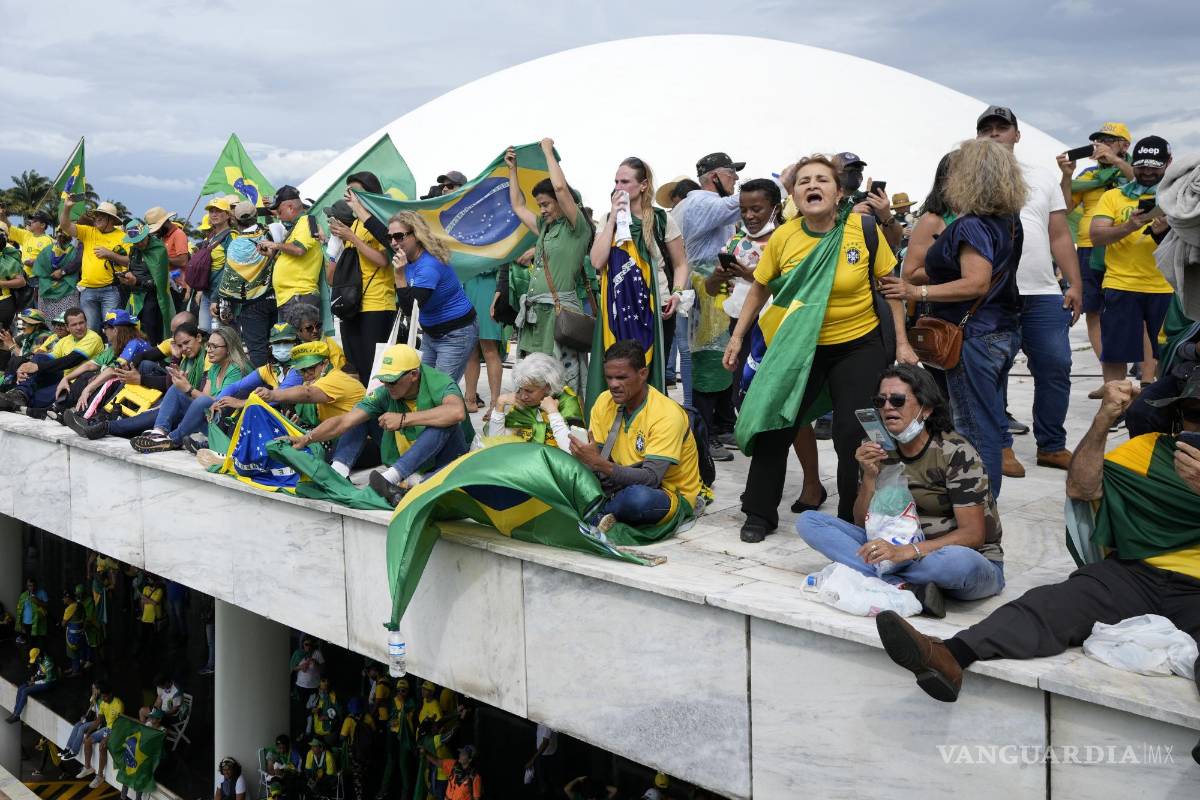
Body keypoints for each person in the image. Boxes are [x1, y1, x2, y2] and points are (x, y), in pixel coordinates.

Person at [874, 379, 1199, 718]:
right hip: (1135, 572)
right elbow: (1080, 487)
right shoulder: (1149, 450)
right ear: (1177, 417)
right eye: (1195, 414)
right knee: (1049, 602)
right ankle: (948, 656)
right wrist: (1103, 420)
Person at [727, 154, 913, 541]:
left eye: (822, 180)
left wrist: (903, 343)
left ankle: (850, 516)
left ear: (839, 191)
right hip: (799, 347)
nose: (813, 186)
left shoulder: (862, 230)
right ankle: (759, 514)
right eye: (804, 181)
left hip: (858, 345)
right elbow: (760, 286)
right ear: (794, 195)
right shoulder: (784, 237)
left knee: (852, 433)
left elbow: (889, 286)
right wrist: (738, 335)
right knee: (774, 424)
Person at [797, 365, 1005, 616]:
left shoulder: (955, 451)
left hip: (954, 556)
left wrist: (905, 553)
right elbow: (861, 523)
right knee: (810, 522)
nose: (887, 408)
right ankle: (904, 583)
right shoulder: (876, 447)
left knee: (956, 564)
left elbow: (973, 535)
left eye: (897, 400)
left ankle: (886, 577)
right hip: (895, 546)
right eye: (880, 401)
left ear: (925, 409)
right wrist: (870, 478)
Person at [881, 139, 1025, 498]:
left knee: (976, 428)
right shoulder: (1008, 221)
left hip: (973, 335)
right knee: (987, 420)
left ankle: (979, 507)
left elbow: (975, 282)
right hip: (1002, 331)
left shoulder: (970, 225)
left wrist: (918, 292)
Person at [971, 106, 1084, 477]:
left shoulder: (1042, 178)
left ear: (1017, 135)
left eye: (1001, 128)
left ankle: (1051, 445)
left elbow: (1059, 233)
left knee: (1056, 365)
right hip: (993, 292)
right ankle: (1000, 444)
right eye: (986, 129)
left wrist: (1075, 283)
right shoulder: (968, 179)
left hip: (1042, 291)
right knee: (994, 371)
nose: (994, 134)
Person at [289, 343, 472, 507]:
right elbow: (344, 422)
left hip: (445, 459)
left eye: (392, 381)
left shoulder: (439, 382)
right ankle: (338, 474)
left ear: (414, 375)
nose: (387, 385)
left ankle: (392, 479)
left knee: (444, 420)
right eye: (384, 379)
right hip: (408, 459)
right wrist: (307, 438)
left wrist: (403, 418)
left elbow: (456, 412)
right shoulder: (385, 393)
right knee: (360, 416)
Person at [587, 157, 689, 409]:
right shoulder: (606, 218)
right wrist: (613, 218)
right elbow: (597, 261)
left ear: (643, 185)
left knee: (647, 372)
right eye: (616, 181)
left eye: (625, 181)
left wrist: (677, 293)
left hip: (655, 311)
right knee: (615, 372)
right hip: (615, 313)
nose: (618, 186)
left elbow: (680, 263)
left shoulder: (660, 219)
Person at [572, 340, 703, 531]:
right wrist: (584, 459)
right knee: (565, 472)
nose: (613, 385)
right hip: (617, 485)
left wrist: (599, 464)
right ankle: (603, 512)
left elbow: (651, 478)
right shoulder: (603, 401)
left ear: (643, 374)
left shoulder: (667, 414)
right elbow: (599, 456)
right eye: (609, 377)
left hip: (664, 492)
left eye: (621, 377)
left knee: (637, 499)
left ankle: (597, 513)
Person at [505, 139, 593, 400]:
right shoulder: (546, 228)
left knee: (560, 376)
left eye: (546, 204)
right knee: (534, 373)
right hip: (536, 315)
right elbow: (519, 206)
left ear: (563, 202)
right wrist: (512, 170)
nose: (541, 210)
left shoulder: (577, 228)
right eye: (540, 205)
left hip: (559, 313)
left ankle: (565, 421)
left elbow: (559, 187)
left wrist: (546, 151)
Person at [675, 152, 746, 461]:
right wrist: (781, 182)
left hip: (718, 292)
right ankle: (705, 433)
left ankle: (723, 422)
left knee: (723, 359)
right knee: (706, 361)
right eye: (731, 174)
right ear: (713, 177)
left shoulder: (711, 205)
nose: (736, 180)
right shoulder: (700, 202)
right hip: (704, 291)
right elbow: (739, 204)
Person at [1089, 135, 1174, 386]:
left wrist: (1165, 231)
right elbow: (1096, 236)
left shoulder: (1178, 197)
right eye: (1141, 165)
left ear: (1168, 163)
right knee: (1115, 354)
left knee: (1169, 353)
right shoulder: (1114, 196)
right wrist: (1130, 225)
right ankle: (1115, 404)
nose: (1146, 171)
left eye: (1154, 166)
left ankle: (1162, 405)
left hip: (1167, 286)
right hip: (1121, 285)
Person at [1059, 122, 1134, 360]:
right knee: (1093, 311)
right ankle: (1109, 374)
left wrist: (1116, 161)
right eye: (1098, 141)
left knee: (1128, 310)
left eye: (1108, 140)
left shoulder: (1135, 168)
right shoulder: (1088, 175)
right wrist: (1067, 176)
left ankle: (1140, 372)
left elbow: (1143, 185)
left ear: (1124, 145)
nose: (1101, 145)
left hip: (1124, 247)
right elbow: (1066, 207)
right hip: (1089, 248)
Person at [129, 325, 249, 453]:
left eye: (214, 347)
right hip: (212, 422)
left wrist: (189, 389)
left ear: (229, 348)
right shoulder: (215, 367)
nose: (209, 350)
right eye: (208, 346)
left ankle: (171, 440)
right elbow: (205, 399)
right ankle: (159, 432)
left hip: (227, 430)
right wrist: (183, 385)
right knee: (177, 390)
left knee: (200, 401)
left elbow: (220, 404)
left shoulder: (236, 369)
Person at [389, 211, 478, 381]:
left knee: (441, 389)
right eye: (390, 237)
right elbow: (378, 231)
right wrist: (357, 205)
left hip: (456, 332)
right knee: (423, 386)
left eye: (399, 236)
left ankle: (457, 407)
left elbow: (410, 309)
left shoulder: (428, 265)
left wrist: (399, 275)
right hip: (431, 333)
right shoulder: (407, 254)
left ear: (416, 235)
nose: (393, 242)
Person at [254, 341, 367, 476]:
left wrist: (273, 395)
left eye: (310, 368)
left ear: (324, 363)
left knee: (354, 421)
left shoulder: (335, 378)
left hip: (360, 444)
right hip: (332, 438)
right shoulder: (316, 382)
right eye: (302, 370)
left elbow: (307, 393)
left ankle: (339, 472)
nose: (306, 374)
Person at [329, 173, 394, 383]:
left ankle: (380, 413)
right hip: (352, 304)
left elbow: (383, 260)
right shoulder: (354, 224)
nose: (351, 197)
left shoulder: (382, 223)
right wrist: (334, 245)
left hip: (376, 304)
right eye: (349, 192)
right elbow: (334, 276)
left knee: (374, 368)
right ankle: (367, 414)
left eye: (356, 192)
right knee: (356, 366)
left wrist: (353, 238)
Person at [212, 204, 275, 367]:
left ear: (235, 220)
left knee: (257, 349)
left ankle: (262, 387)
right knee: (277, 343)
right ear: (256, 216)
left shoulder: (236, 245)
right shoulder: (269, 235)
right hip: (274, 297)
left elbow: (229, 280)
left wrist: (222, 302)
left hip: (250, 305)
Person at [482, 352, 583, 451]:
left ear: (547, 387)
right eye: (520, 389)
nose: (523, 396)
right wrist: (500, 404)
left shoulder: (568, 402)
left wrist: (553, 413)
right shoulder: (522, 403)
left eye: (529, 391)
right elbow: (496, 445)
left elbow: (574, 451)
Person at [97, 217, 175, 342]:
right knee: (132, 330)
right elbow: (133, 268)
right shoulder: (134, 250)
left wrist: (137, 281)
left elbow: (159, 282)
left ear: (146, 234)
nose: (139, 244)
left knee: (151, 329)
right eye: (135, 241)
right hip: (135, 296)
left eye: (141, 240)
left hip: (153, 298)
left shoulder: (158, 250)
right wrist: (125, 276)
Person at [58, 199, 126, 331]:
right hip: (87, 291)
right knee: (91, 330)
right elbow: (65, 225)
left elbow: (130, 261)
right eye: (97, 215)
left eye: (101, 215)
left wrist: (110, 254)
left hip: (111, 290)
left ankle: (111, 352)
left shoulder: (123, 237)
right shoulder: (88, 231)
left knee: (112, 329)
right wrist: (66, 208)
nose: (97, 218)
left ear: (111, 219)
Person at [265, 186, 324, 318]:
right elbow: (291, 258)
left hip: (300, 295)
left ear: (290, 207)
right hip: (292, 296)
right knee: (292, 338)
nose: (279, 217)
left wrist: (276, 245)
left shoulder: (306, 221)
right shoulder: (297, 226)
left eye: (280, 212)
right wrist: (271, 254)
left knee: (304, 338)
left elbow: (299, 249)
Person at [78, 681, 123, 788]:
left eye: (105, 696)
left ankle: (100, 776)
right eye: (102, 696)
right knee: (87, 741)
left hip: (117, 730)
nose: (104, 699)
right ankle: (88, 767)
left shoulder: (118, 704)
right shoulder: (103, 703)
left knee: (103, 746)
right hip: (107, 728)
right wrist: (88, 733)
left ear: (111, 694)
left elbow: (119, 726)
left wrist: (106, 739)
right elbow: (98, 720)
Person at [281, 302, 348, 371]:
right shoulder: (294, 347)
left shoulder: (329, 344)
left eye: (318, 326)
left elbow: (338, 368)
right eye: (309, 328)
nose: (315, 331)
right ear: (298, 331)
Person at [31, 228, 80, 321]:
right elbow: (77, 268)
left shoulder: (46, 250)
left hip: (47, 289)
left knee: (49, 322)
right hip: (67, 290)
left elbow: (39, 270)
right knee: (68, 321)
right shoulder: (75, 251)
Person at [5, 647, 57, 723]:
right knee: (21, 688)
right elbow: (40, 670)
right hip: (41, 679)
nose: (34, 661)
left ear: (38, 656)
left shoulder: (48, 662)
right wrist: (35, 677)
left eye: (35, 659)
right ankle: (15, 712)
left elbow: (48, 679)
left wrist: (34, 683)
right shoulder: (40, 660)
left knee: (25, 691)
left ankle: (16, 715)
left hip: (49, 683)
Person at [58, 682, 102, 761]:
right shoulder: (94, 698)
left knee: (81, 728)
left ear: (98, 690)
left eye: (94, 689)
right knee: (77, 725)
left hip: (98, 723)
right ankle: (68, 748)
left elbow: (99, 715)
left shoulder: (101, 700)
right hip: (92, 720)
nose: (92, 690)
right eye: (92, 688)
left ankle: (74, 751)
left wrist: (95, 701)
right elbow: (90, 710)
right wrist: (84, 716)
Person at [291, 636, 325, 712]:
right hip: (301, 686)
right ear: (303, 644)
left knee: (313, 708)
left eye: (310, 644)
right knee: (301, 708)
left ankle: (311, 722)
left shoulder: (317, 653)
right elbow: (292, 667)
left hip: (314, 686)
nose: (308, 646)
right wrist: (300, 667)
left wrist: (316, 663)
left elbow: (323, 669)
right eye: (306, 644)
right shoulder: (298, 653)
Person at [14, 577, 48, 645]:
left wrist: (37, 601)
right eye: (30, 586)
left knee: (41, 643)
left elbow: (47, 606)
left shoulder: (42, 592)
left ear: (36, 585)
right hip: (27, 624)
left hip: (39, 624)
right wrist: (21, 625)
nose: (32, 587)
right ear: (27, 586)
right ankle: (32, 654)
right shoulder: (23, 595)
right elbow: (20, 610)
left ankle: (41, 654)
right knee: (31, 643)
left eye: (33, 585)